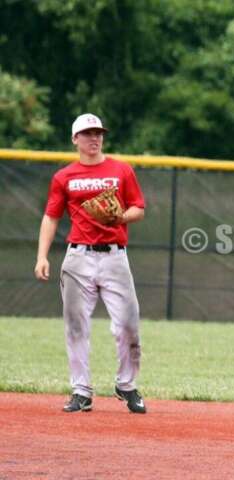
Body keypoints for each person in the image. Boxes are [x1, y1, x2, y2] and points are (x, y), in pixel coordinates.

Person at [34, 113, 148, 414]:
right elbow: (51, 216)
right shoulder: (64, 177)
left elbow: (138, 208)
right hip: (78, 257)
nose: (94, 138)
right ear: (75, 139)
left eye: (98, 133)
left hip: (115, 256)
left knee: (128, 325)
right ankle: (81, 391)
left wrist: (120, 216)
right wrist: (42, 256)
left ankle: (126, 386)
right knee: (75, 325)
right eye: (87, 133)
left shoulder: (121, 170)